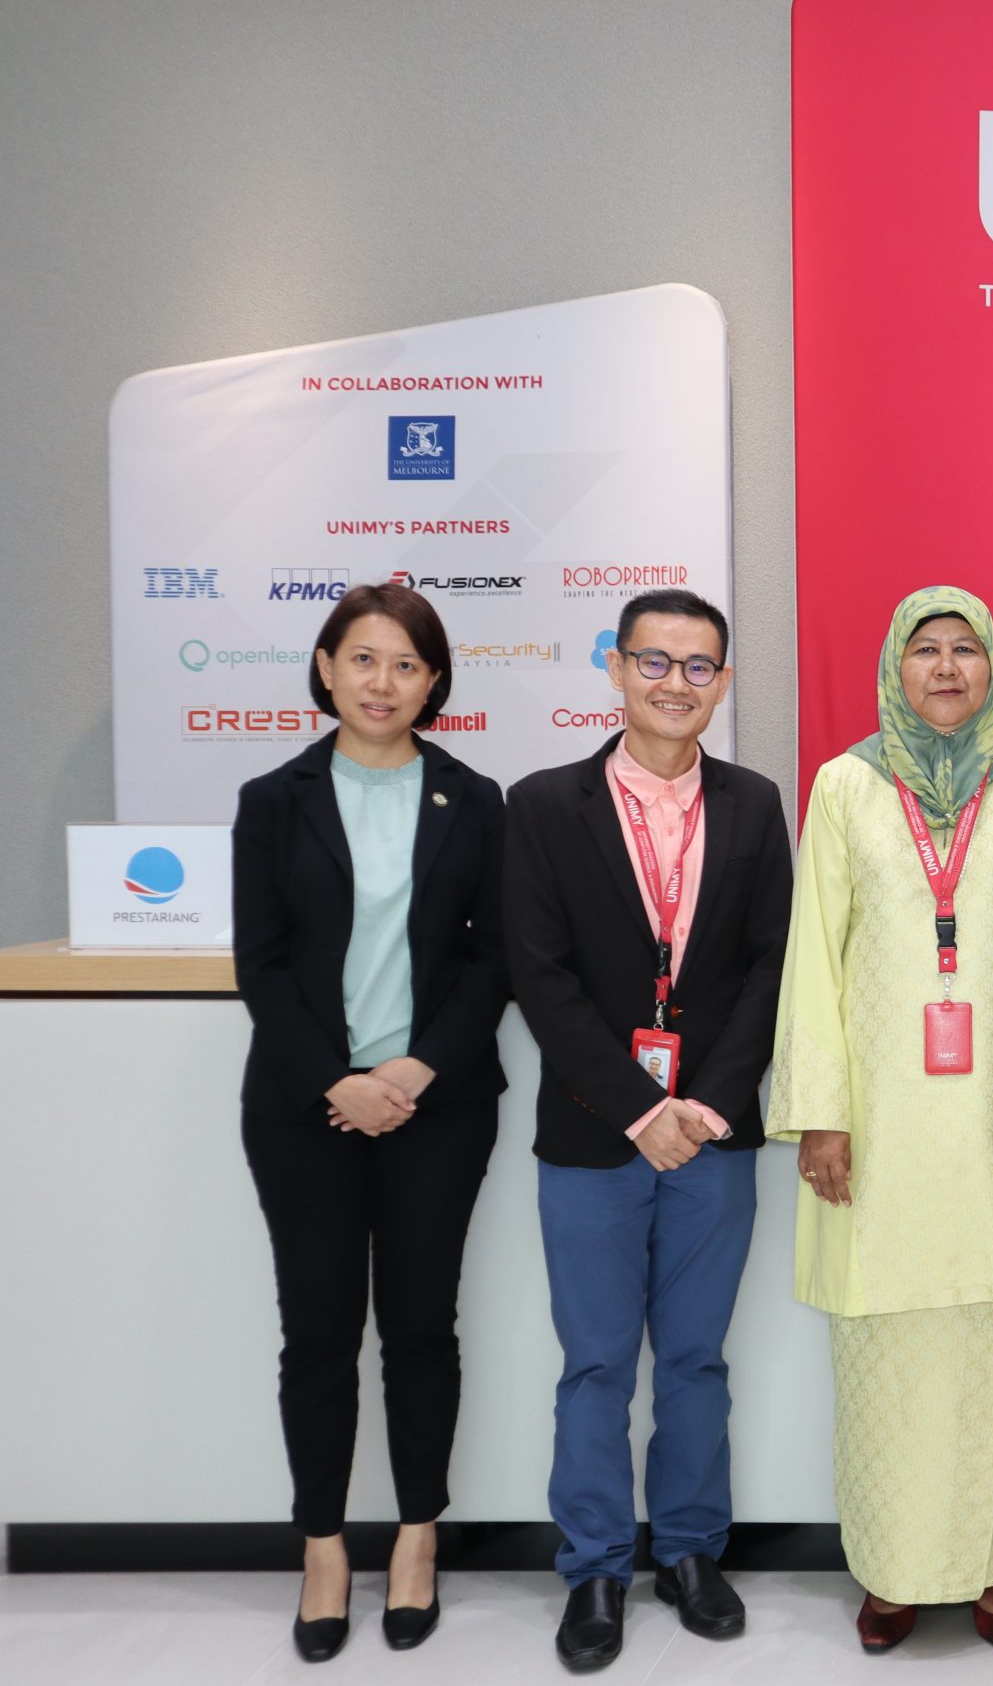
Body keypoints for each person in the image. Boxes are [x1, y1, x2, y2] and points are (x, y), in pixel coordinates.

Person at [768, 586, 993, 1654]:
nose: (948, 667)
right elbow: (814, 961)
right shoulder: (845, 786)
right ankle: (891, 1572)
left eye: (967, 648)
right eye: (927, 650)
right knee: (888, 1346)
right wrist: (820, 1115)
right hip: (881, 1128)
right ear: (895, 667)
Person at [504, 589, 792, 1673]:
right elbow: (541, 976)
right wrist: (637, 1107)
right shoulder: (544, 804)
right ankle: (593, 1567)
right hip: (593, 1138)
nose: (677, 683)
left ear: (723, 682)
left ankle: (688, 1551)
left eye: (699, 666)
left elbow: (771, 966)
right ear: (618, 669)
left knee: (696, 1361)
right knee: (594, 1364)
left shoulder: (755, 805)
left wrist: (705, 1105)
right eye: (655, 661)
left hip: (714, 1135)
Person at [233, 583, 509, 1662]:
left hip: (438, 1107)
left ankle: (415, 1541)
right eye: (363, 659)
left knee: (420, 1328)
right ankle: (322, 1551)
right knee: (317, 1333)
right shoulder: (275, 798)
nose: (382, 682)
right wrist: (336, 1082)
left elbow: (492, 958)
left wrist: (416, 1069)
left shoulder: (472, 799)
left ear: (433, 682)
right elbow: (261, 965)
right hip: (305, 1111)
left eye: (405, 664)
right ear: (325, 666)